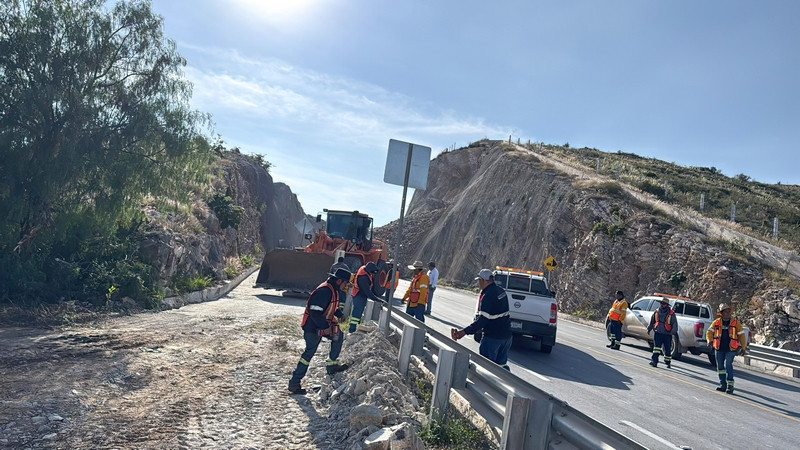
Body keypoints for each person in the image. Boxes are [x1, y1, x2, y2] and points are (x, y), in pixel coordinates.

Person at [288, 268, 352, 395]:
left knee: (338, 336)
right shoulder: (325, 291)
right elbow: (315, 311)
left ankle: (332, 365)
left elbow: (331, 306)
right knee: (308, 354)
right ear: (339, 281)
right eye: (345, 283)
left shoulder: (333, 290)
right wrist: (324, 327)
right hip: (313, 328)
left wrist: (339, 314)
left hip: (320, 325)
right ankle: (294, 383)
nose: (346, 286)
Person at [450, 269, 513, 371]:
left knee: (486, 369)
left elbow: (483, 321)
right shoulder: (501, 291)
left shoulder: (487, 296)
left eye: (479, 280)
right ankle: (503, 385)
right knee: (501, 368)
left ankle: (486, 386)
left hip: (493, 338)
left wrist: (464, 332)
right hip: (507, 337)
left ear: (484, 280)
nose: (479, 283)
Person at [706, 303, 747, 394]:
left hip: (731, 349)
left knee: (727, 365)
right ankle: (723, 385)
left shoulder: (736, 323)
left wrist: (743, 347)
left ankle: (730, 386)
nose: (728, 313)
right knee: (720, 367)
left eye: (729, 311)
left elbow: (742, 336)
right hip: (719, 348)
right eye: (726, 312)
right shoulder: (716, 322)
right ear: (722, 313)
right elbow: (709, 332)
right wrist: (709, 340)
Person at [348, 261, 385, 332]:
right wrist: (376, 299)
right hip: (359, 295)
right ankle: (352, 330)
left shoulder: (364, 269)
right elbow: (367, 292)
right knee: (356, 315)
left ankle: (355, 328)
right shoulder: (363, 277)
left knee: (357, 314)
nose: (372, 274)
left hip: (358, 294)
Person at [647, 297, 678, 368]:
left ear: (667, 305)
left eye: (664, 304)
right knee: (656, 348)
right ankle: (654, 361)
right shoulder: (656, 311)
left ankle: (667, 361)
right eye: (661, 303)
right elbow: (652, 321)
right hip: (658, 333)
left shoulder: (671, 313)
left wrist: (672, 331)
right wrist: (649, 329)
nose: (662, 305)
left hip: (667, 334)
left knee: (667, 349)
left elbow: (674, 324)